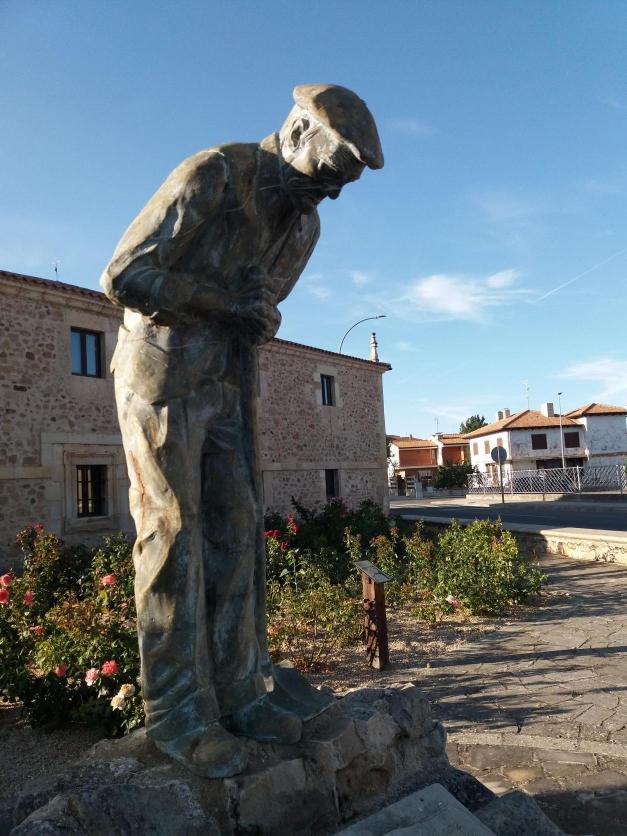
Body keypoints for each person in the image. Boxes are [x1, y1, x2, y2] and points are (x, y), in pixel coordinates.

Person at [101, 84, 383, 777]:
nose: (332, 193)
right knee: (171, 532)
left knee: (237, 527)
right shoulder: (213, 175)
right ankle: (177, 714)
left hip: (226, 378)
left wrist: (258, 315)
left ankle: (240, 693)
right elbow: (124, 274)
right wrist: (226, 304)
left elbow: (262, 307)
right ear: (297, 133)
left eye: (344, 185)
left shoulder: (304, 226)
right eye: (330, 172)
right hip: (161, 374)